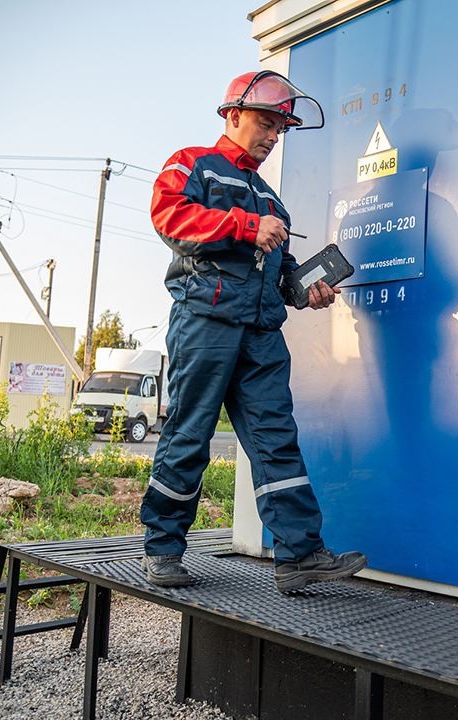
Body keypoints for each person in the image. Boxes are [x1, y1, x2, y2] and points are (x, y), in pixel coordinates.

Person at [140, 70, 366, 592]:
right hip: (205, 323)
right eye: (266, 123)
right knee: (189, 434)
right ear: (233, 116)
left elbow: (278, 275)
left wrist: (303, 290)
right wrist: (243, 226)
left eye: (280, 129)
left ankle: (299, 555)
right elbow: (168, 216)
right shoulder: (193, 164)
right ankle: (163, 549)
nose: (271, 136)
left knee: (276, 440)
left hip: (261, 334)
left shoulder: (272, 200)